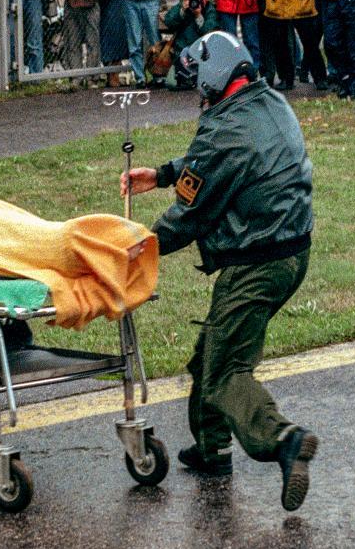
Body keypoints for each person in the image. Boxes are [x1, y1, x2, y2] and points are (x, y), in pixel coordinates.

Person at [120, 31, 319, 510]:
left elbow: (188, 217)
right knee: (211, 350)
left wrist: (139, 248)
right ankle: (212, 450)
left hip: (257, 260)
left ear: (212, 73)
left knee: (226, 370)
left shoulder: (221, 128)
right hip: (293, 252)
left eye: (196, 80)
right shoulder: (268, 101)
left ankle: (283, 439)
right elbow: (222, 161)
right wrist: (165, 172)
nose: (197, 91)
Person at [163, 0, 213, 88]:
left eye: (201, 0)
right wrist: (181, 11)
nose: (197, 3)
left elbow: (210, 31)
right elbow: (168, 21)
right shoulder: (185, 6)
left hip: (201, 53)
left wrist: (198, 16)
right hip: (181, 53)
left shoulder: (210, 10)